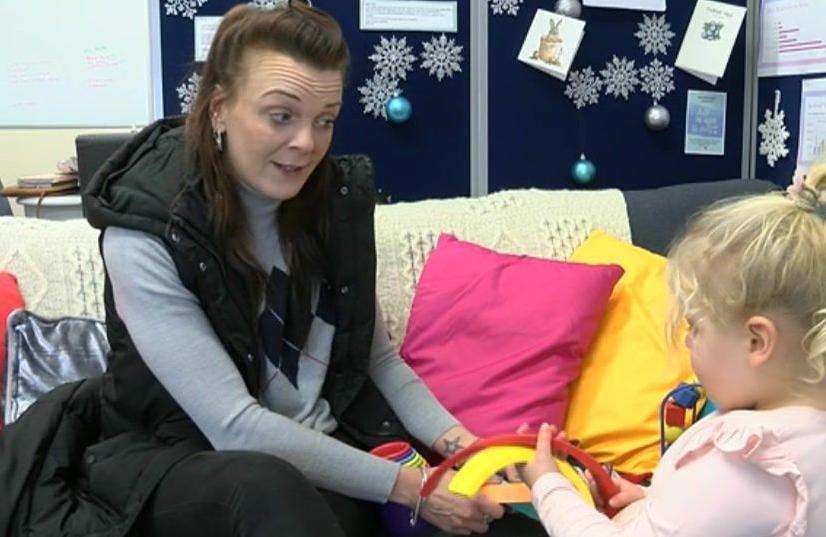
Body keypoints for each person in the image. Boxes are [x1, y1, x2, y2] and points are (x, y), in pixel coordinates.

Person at [0, 2, 548, 536]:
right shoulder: (145, 229)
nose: (306, 144)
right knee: (268, 487)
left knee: (504, 517)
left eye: (325, 120)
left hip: (319, 461)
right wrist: (412, 488)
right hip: (182, 465)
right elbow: (232, 425)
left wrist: (468, 451)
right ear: (218, 108)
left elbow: (379, 357)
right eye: (280, 116)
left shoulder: (331, 203)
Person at [519, 163, 826, 536]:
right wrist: (649, 500)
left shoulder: (749, 460)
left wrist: (548, 486)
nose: (688, 342)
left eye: (696, 328)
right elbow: (736, 517)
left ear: (757, 341)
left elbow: (727, 497)